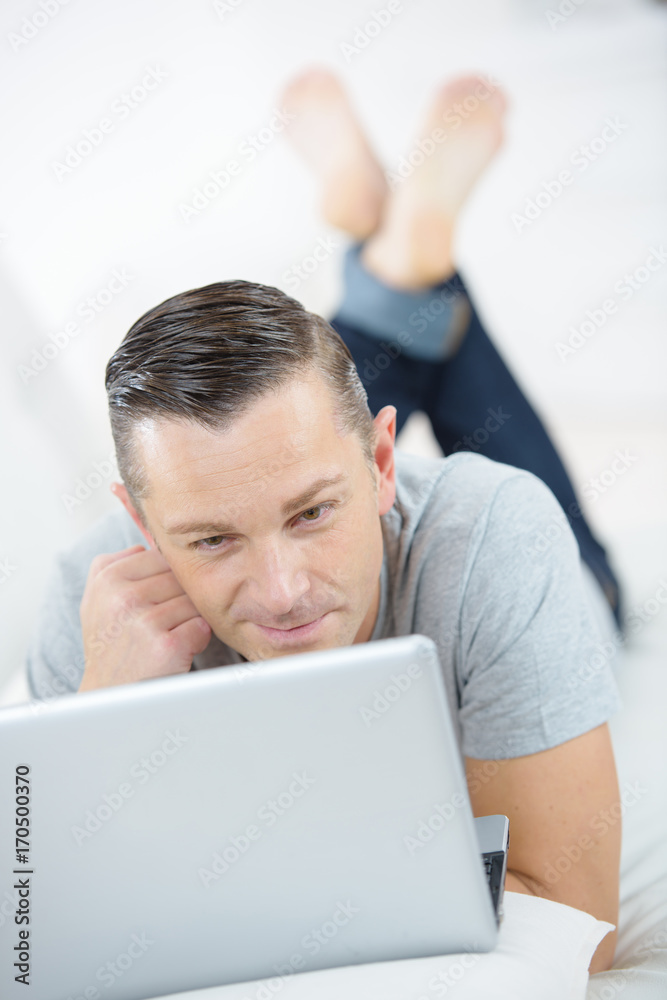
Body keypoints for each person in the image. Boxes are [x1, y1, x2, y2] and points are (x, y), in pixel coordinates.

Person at [26, 73, 623, 974]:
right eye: (211, 538)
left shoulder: (499, 535)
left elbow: (576, 927)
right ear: (138, 525)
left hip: (569, 581)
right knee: (313, 405)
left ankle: (399, 250)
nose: (283, 593)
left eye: (312, 514)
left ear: (384, 466)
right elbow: (56, 947)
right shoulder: (89, 604)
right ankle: (404, 252)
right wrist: (107, 723)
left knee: (498, 484)